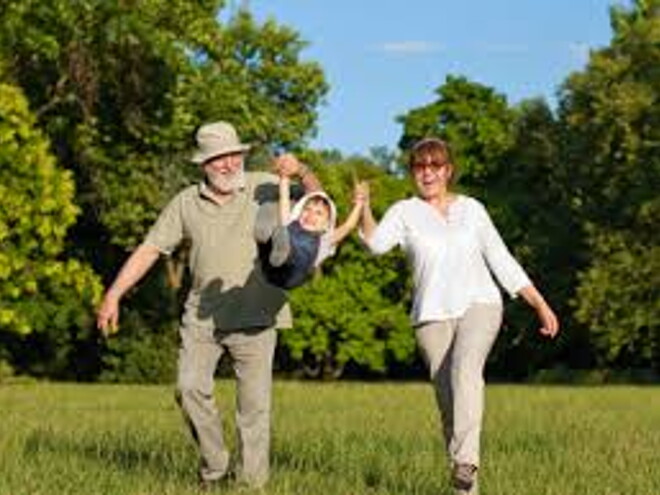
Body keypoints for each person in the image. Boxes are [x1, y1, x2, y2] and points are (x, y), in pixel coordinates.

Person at [96, 121, 321, 490]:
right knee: (188, 389)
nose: (229, 164)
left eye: (234, 155)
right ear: (204, 163)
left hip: (259, 315)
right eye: (219, 158)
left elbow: (319, 205)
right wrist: (113, 294)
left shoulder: (265, 184)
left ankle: (251, 485)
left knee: (254, 411)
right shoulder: (186, 202)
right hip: (203, 317)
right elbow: (151, 249)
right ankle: (215, 468)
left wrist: (303, 172)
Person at [359, 137, 559, 495]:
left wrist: (538, 302)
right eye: (420, 167)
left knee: (465, 369)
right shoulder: (404, 212)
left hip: (479, 305)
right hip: (431, 316)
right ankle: (465, 488)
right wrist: (363, 208)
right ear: (412, 173)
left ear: (448, 171)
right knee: (450, 405)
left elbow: (501, 258)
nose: (428, 173)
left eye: (435, 166)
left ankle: (466, 460)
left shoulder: (472, 209)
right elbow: (375, 244)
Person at [255, 171, 365, 289]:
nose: (311, 215)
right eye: (307, 209)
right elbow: (284, 199)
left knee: (299, 244)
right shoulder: (291, 222)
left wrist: (359, 203)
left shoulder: (325, 240)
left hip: (293, 275)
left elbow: (348, 226)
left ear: (327, 225)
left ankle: (285, 252)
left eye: (319, 213)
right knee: (281, 229)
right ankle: (273, 246)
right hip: (270, 269)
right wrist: (284, 177)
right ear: (299, 212)